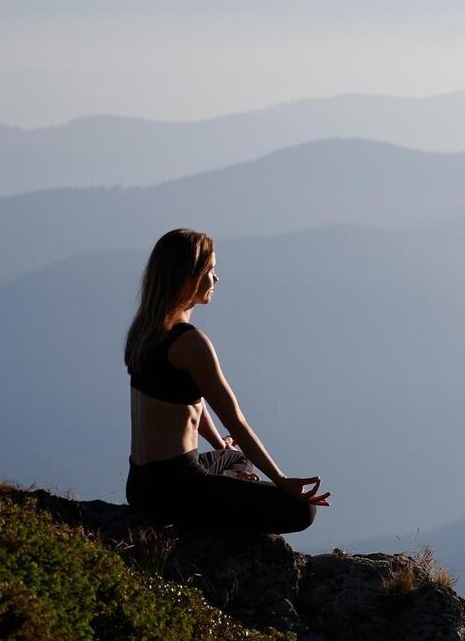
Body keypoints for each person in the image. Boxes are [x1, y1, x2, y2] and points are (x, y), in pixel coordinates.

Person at [123, 228, 329, 533]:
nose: (215, 280)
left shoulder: (145, 332)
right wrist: (281, 481)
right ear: (187, 277)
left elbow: (190, 396)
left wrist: (219, 444)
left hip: (141, 483)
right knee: (303, 510)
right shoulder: (191, 343)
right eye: (210, 271)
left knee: (236, 461)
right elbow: (236, 420)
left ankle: (227, 483)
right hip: (177, 488)